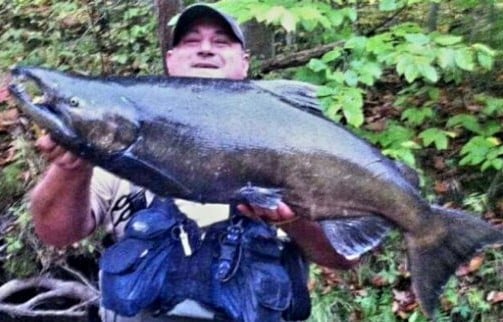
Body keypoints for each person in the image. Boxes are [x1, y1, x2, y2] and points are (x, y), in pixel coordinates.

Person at [30, 4, 357, 322]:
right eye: (190, 41)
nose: (205, 50)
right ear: (170, 60)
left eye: (221, 41)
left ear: (244, 63)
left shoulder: (297, 143)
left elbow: (343, 257)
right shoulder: (125, 140)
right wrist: (69, 167)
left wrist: (294, 221)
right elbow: (56, 233)